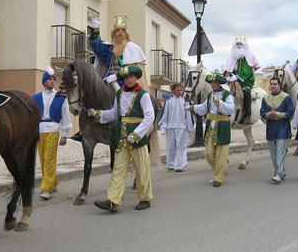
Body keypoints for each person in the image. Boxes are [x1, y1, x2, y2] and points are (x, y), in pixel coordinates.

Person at [88, 65, 154, 212]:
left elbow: (149, 116)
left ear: (136, 78)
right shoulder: (119, 94)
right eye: (126, 77)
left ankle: (144, 198)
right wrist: (97, 114)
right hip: (122, 136)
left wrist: (136, 135)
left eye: (131, 77)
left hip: (137, 138)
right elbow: (114, 114)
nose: (129, 79)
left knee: (142, 168)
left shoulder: (143, 95)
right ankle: (112, 201)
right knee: (118, 168)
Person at [189, 73, 235, 187]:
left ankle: (218, 178)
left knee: (221, 153)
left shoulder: (227, 95)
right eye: (211, 83)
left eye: (214, 82)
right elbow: (204, 107)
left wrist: (220, 103)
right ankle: (220, 170)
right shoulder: (210, 95)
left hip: (222, 124)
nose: (212, 84)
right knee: (208, 153)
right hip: (211, 125)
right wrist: (192, 107)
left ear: (219, 83)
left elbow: (230, 109)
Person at [33, 66, 72, 200]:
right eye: (49, 79)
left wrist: (65, 135)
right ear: (44, 82)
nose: (52, 81)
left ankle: (46, 189)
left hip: (53, 130)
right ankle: (53, 181)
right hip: (39, 131)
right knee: (43, 160)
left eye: (53, 79)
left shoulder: (61, 98)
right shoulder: (36, 98)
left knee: (49, 159)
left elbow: (66, 117)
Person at [88, 14, 148, 91]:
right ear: (114, 34)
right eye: (118, 30)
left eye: (123, 30)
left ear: (126, 33)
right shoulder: (110, 48)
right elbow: (98, 49)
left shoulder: (133, 48)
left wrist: (118, 76)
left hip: (124, 80)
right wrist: (96, 30)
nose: (120, 32)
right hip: (108, 78)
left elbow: (134, 69)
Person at [260, 78, 295, 183]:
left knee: (280, 152)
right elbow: (262, 112)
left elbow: (290, 112)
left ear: (280, 85)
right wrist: (268, 115)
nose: (273, 86)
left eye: (275, 84)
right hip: (271, 128)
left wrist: (277, 114)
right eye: (272, 84)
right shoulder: (266, 98)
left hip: (282, 128)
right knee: (273, 153)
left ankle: (278, 174)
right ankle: (280, 171)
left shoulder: (286, 97)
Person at [223, 35, 261, 124]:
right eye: (237, 43)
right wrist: (229, 75)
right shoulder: (233, 56)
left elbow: (247, 71)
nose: (239, 45)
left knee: (246, 92)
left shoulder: (249, 56)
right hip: (232, 80)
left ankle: (247, 115)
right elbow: (228, 68)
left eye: (240, 43)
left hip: (245, 81)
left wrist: (237, 77)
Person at [158, 83, 194, 172]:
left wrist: (190, 127)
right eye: (178, 90)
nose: (179, 92)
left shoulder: (185, 102)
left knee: (181, 147)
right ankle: (171, 164)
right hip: (171, 126)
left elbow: (188, 115)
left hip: (182, 127)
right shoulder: (169, 102)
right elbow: (165, 115)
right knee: (171, 146)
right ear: (173, 91)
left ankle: (180, 165)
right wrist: (163, 126)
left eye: (181, 90)